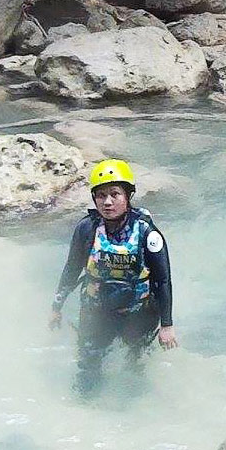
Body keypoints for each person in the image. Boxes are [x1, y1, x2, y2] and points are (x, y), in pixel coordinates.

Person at [49, 159, 176, 397]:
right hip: (96, 312)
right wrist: (56, 306)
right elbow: (71, 268)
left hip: (139, 314)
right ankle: (85, 413)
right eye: (101, 195)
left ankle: (132, 414)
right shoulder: (86, 229)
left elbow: (163, 280)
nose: (107, 202)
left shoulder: (147, 233)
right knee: (87, 368)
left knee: (135, 367)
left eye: (115, 194)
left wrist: (167, 325)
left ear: (128, 196)